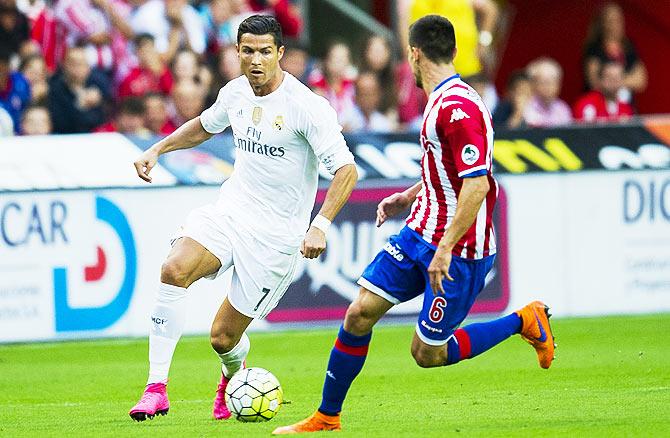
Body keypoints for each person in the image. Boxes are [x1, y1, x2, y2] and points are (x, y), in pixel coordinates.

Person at [272, 15, 555, 434]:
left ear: (413, 53)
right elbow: (449, 170)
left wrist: (444, 250)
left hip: (458, 251)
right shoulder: (441, 100)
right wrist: (410, 195)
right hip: (419, 232)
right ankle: (327, 416)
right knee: (359, 313)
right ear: (454, 52)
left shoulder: (458, 108)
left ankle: (524, 320)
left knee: (427, 353)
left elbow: (476, 186)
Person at [128, 14, 358, 422]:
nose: (255, 60)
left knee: (223, 337)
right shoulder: (234, 93)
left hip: (275, 240)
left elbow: (346, 169)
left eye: (265, 52)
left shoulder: (307, 107)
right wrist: (157, 150)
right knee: (173, 268)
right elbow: (204, 127)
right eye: (247, 51)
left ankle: (232, 376)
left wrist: (319, 224)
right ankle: (156, 388)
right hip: (230, 212)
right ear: (236, 52)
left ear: (280, 54)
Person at [583, 2, 646, 102]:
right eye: (611, 20)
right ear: (602, 23)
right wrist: (627, 80)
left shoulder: (629, 46)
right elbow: (594, 82)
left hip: (626, 108)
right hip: (600, 108)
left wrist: (611, 80)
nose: (615, 24)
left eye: (618, 19)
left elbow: (641, 81)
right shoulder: (594, 48)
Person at [47, 45, 111, 133]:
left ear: (88, 68)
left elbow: (100, 122)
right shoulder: (54, 89)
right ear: (64, 65)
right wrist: (81, 106)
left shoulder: (96, 88)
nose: (77, 68)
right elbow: (60, 123)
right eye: (73, 63)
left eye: (81, 63)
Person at [523, 57, 572, 127]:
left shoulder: (563, 109)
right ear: (533, 84)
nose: (547, 87)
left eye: (551, 82)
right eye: (543, 82)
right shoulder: (525, 107)